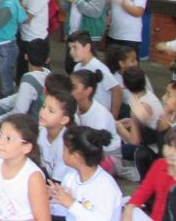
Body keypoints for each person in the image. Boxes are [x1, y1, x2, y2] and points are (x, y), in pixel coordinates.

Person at [48, 126, 122, 221]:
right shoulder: (70, 176)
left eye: (64, 149)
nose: (62, 152)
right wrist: (54, 197)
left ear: (75, 156)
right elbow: (64, 212)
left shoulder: (106, 187)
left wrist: (71, 204)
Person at [70, 69, 122, 174]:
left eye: (73, 87)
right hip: (85, 152)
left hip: (107, 156)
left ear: (88, 91)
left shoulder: (100, 115)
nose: (69, 90)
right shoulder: (74, 107)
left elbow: (97, 149)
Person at [60, 0, 107, 74]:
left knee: (87, 69)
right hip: (73, 34)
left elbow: (95, 12)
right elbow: (66, 8)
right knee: (70, 66)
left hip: (88, 37)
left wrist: (76, 0)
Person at [38, 89, 77, 220]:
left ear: (64, 119)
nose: (43, 112)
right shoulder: (41, 132)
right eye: (43, 107)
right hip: (50, 184)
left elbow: (56, 183)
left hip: (66, 193)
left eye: (51, 111)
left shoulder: (64, 145)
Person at [124, 127, 176, 221]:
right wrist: (130, 207)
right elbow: (143, 191)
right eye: (169, 146)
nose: (171, 153)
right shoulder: (159, 165)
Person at [0, 38, 51, 124]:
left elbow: (18, 112)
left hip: (32, 125)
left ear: (26, 56)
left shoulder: (28, 80)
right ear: (47, 60)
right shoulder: (48, 74)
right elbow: (20, 97)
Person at [68, 30, 122, 115]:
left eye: (75, 47)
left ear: (87, 47)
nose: (71, 52)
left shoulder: (98, 67)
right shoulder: (77, 67)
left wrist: (113, 117)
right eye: (70, 48)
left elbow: (117, 90)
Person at [116, 66, 164, 156]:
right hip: (152, 135)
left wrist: (118, 126)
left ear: (125, 84)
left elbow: (134, 142)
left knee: (116, 149)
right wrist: (131, 122)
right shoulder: (148, 94)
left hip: (152, 145)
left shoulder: (139, 107)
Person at [18, 0, 50, 81]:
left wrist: (18, 5)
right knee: (23, 69)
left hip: (36, 38)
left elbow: (26, 18)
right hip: (25, 36)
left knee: (38, 70)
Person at [105, 44, 155, 114]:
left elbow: (150, 93)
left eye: (136, 59)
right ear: (122, 63)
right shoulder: (114, 79)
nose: (136, 63)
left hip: (144, 109)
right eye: (132, 61)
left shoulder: (141, 76)